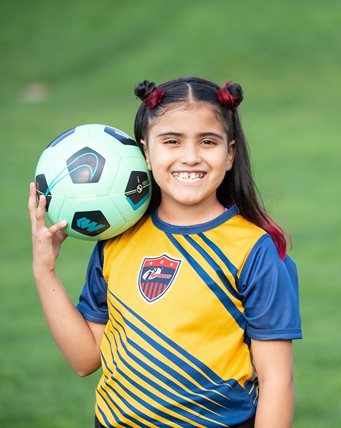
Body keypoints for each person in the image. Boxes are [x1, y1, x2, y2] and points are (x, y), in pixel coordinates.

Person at [28, 76, 302, 428]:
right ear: (145, 150)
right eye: (172, 141)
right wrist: (44, 270)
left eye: (208, 141)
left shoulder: (254, 250)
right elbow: (85, 360)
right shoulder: (116, 240)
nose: (190, 157)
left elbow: (277, 381)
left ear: (230, 153)